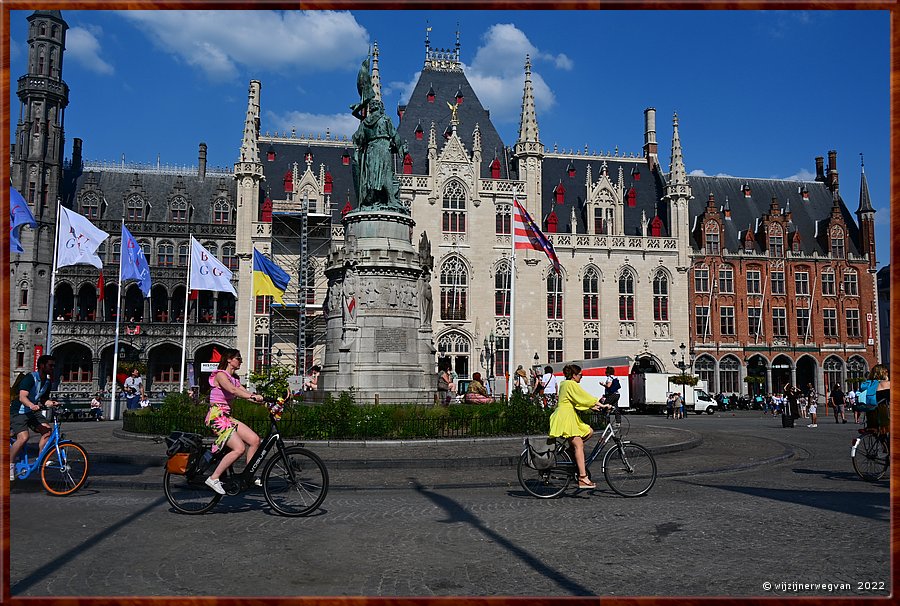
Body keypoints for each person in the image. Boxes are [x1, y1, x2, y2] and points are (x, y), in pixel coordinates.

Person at [204, 349, 265, 495]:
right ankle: (214, 478)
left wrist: (266, 400)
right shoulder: (220, 375)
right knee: (239, 448)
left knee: (255, 440)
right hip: (217, 417)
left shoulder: (235, 379)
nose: (241, 361)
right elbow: (233, 390)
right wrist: (253, 396)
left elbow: (246, 394)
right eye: (239, 358)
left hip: (227, 417)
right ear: (229, 359)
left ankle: (249, 475)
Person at [548, 364, 611, 489]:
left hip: (568, 415)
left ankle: (571, 453)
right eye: (580, 375)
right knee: (579, 444)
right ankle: (583, 478)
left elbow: (576, 401)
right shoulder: (570, 384)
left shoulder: (565, 384)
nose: (581, 377)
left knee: (589, 431)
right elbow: (583, 397)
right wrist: (601, 405)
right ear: (574, 375)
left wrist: (594, 407)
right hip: (566, 417)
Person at [10, 355, 60, 481]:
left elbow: (43, 399)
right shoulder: (30, 378)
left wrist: (52, 403)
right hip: (19, 411)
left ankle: (41, 459)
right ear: (42, 365)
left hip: (32, 412)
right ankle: (9, 465)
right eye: (50, 365)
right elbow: (22, 397)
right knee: (23, 438)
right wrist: (32, 405)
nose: (53, 368)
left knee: (47, 431)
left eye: (54, 365)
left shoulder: (47, 382)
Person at [865, 364, 890, 437]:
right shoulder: (887, 384)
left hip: (871, 415)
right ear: (883, 373)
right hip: (884, 415)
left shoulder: (869, 385)